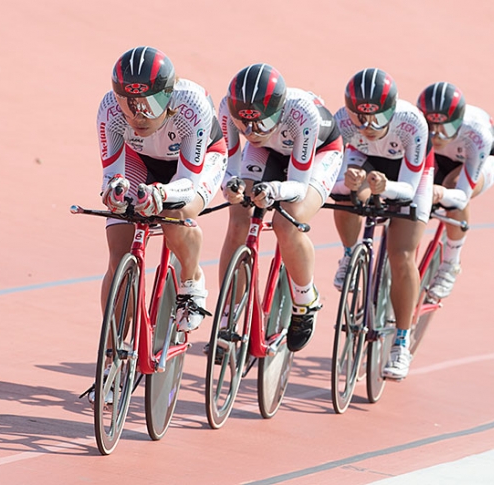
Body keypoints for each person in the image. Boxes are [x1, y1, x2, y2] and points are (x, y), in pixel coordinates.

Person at [99, 46, 228, 333]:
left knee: (176, 212)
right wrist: (114, 191)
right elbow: (112, 173)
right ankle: (112, 355)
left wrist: (161, 194)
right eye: (128, 103)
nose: (138, 116)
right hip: (141, 161)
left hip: (197, 163)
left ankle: (192, 279)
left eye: (149, 104)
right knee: (118, 246)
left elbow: (187, 182)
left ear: (168, 96)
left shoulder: (192, 103)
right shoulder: (108, 109)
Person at [217, 63, 344, 352]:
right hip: (268, 149)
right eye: (243, 123)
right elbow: (230, 167)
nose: (250, 130)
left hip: (319, 153)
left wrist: (273, 190)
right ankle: (228, 313)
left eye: (259, 122)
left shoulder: (302, 113)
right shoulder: (228, 108)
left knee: (288, 221)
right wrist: (232, 187)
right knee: (238, 216)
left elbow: (298, 185)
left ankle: (304, 299)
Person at [331, 68, 434, 379]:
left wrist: (384, 187)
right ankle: (350, 254)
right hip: (365, 162)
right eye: (360, 119)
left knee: (402, 255)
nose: (368, 126)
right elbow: (328, 181)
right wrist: (347, 181)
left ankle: (401, 341)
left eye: (377, 118)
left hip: (407, 174)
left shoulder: (412, 122)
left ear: (392, 109)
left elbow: (408, 188)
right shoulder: (342, 122)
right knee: (347, 195)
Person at [416, 82, 494, 300]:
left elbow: (461, 195)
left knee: (453, 188)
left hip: (482, 159)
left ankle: (451, 262)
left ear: (459, 122)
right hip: (441, 158)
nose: (437, 136)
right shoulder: (414, 122)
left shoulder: (477, 132)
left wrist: (443, 195)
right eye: (431, 128)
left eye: (445, 129)